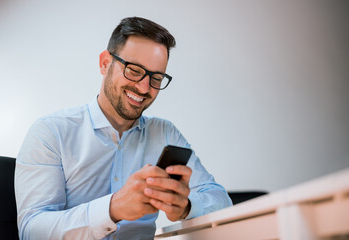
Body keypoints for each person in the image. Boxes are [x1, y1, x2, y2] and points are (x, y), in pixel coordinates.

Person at [15, 16, 232, 240]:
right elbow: (32, 230)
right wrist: (113, 208)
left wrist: (185, 206)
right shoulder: (50, 133)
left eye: (156, 77)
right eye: (134, 70)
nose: (144, 87)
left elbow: (221, 200)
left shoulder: (166, 134)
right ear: (104, 63)